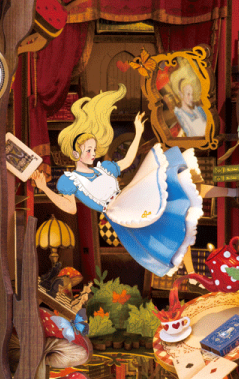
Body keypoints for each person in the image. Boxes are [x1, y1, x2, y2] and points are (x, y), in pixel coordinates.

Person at [31, 85, 210, 277]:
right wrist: (45, 188)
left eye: (94, 150)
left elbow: (126, 161)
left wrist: (138, 132)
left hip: (128, 198)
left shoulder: (104, 169)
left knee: (170, 187)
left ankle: (218, 197)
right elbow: (70, 208)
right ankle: (188, 267)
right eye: (88, 150)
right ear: (76, 154)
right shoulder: (71, 181)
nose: (93, 154)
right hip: (119, 212)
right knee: (157, 233)